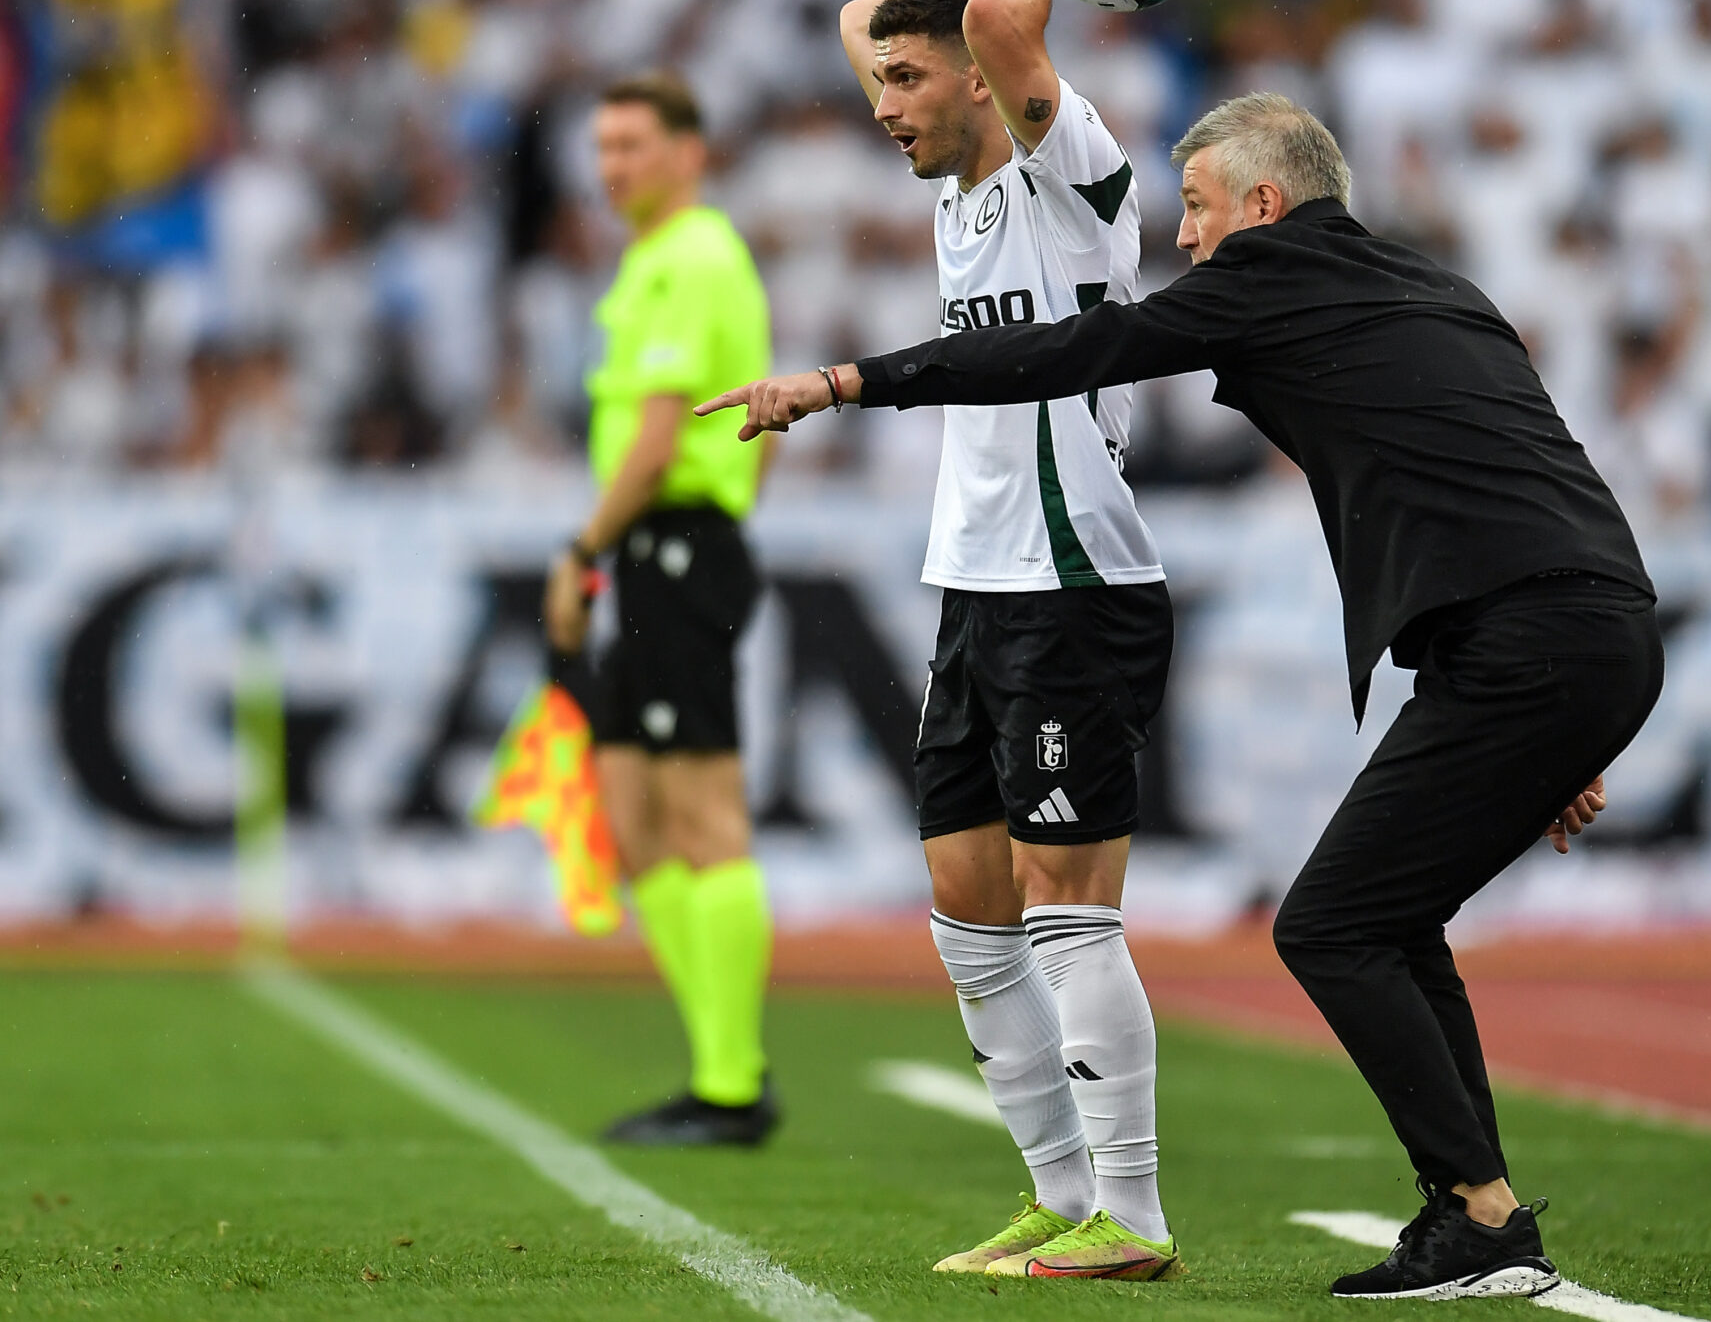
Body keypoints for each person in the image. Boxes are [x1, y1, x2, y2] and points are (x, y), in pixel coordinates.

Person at [702, 91, 1659, 1301]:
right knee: (1388, 920)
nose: (1186, 239)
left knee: (1331, 926)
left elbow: (1064, 354)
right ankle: (1476, 1212)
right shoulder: (1434, 287)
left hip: (1535, 643)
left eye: (1199, 209)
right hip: (1578, 627)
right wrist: (1564, 711)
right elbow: (1475, 475)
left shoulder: (1269, 277)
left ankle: (1478, 1212)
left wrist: (848, 380)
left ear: (1265, 204)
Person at [818, 0, 1190, 1280]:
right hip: (974, 581)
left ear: (982, 75)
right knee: (968, 903)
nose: (886, 103)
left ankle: (1135, 1214)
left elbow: (997, 28)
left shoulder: (1070, 170)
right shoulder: (958, 189)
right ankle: (1054, 1189)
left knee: (1062, 899)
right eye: (881, 93)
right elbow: (868, 8)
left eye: (909, 83)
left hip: (1075, 580)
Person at [546, 73, 778, 1146]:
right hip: (661, 550)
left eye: (633, 144)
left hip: (671, 544)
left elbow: (654, 438)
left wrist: (582, 552)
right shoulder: (659, 258)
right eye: (602, 146)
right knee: (634, 816)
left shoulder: (691, 256)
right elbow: (759, 428)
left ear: (691, 151)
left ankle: (731, 1086)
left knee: (699, 813)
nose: (612, 167)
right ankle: (716, 1067)